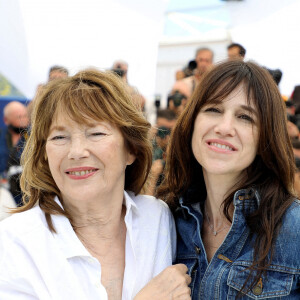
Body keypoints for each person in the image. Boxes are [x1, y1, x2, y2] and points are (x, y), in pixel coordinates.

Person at [0, 69, 191, 299]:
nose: (77, 152)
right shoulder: (15, 242)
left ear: (131, 149)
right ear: (45, 154)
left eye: (96, 133)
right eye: (60, 137)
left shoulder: (158, 219)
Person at [158, 60, 300, 299]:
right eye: (213, 109)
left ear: (266, 136)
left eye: (245, 117)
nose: (225, 128)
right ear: (192, 121)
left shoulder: (293, 227)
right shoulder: (164, 221)